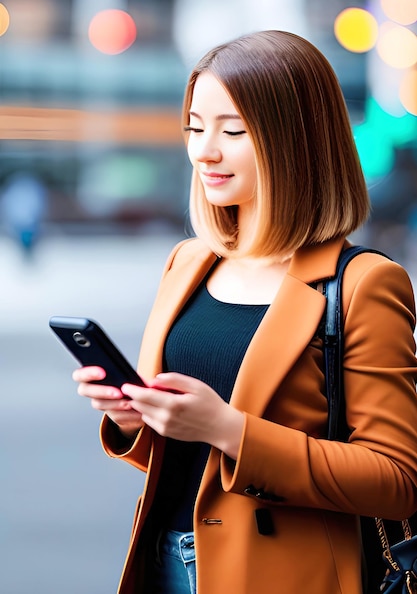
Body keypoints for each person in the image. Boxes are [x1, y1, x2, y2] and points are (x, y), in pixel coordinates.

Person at [74, 30, 417, 594]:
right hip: (166, 559)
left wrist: (230, 430)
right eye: (194, 127)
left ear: (297, 140)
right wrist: (132, 416)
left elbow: (397, 479)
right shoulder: (187, 262)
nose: (204, 150)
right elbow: (183, 461)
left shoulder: (363, 283)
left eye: (231, 130)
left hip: (288, 576)